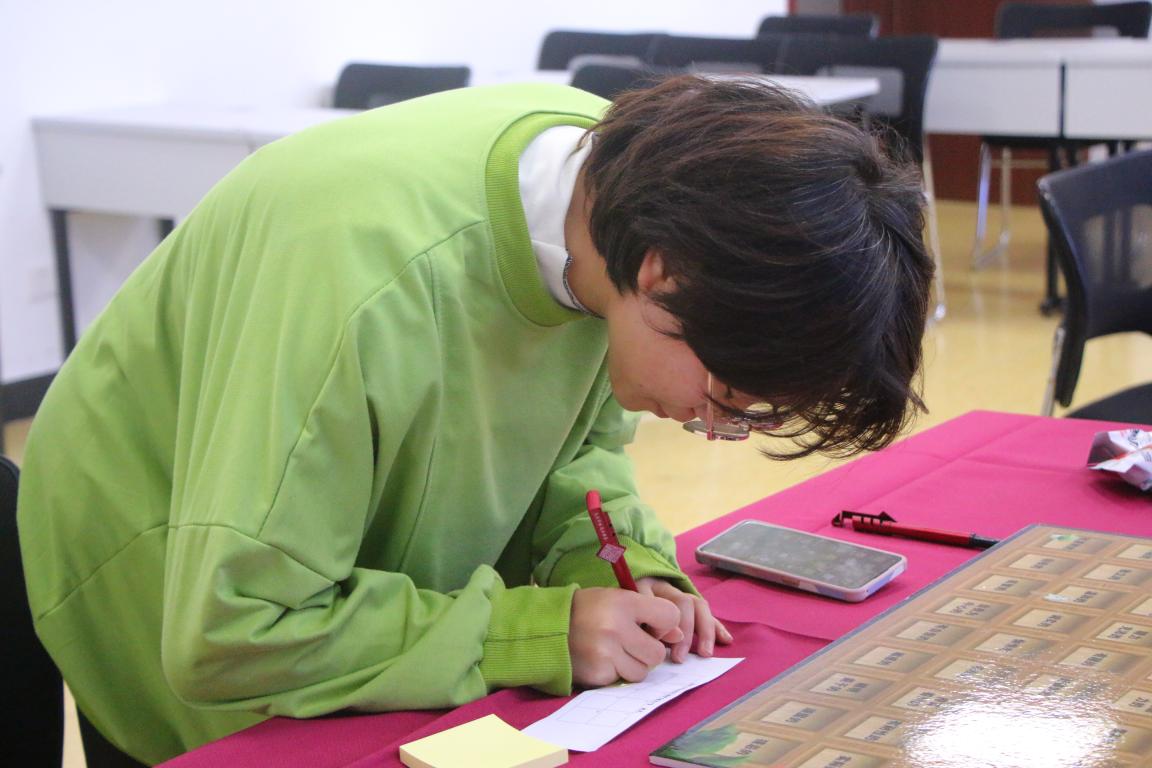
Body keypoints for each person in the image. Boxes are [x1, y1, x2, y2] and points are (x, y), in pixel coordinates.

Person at [17, 75, 933, 765]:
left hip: (330, 543)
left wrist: (620, 564)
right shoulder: (363, 283)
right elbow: (231, 631)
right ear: (664, 279)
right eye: (729, 401)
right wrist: (533, 632)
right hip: (161, 557)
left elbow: (580, 448)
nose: (707, 425)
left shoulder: (623, 193)